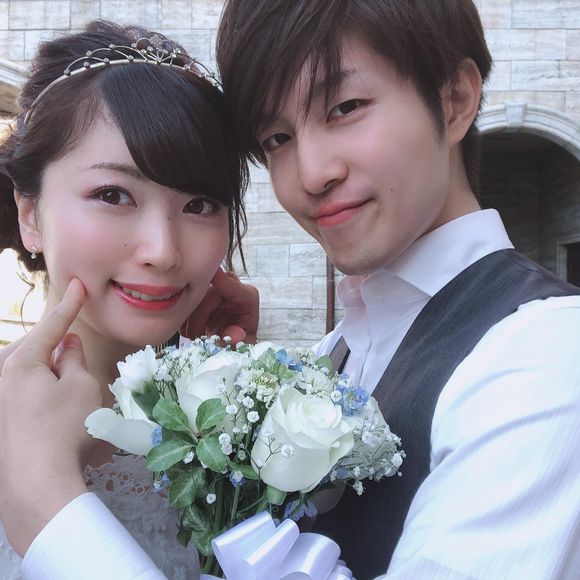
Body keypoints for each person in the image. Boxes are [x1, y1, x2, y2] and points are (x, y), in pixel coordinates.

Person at [1, 1, 580, 579]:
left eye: (345, 108)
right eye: (277, 138)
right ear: (30, 214)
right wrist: (223, 391)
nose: (310, 175)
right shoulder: (336, 352)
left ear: (454, 99)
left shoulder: (546, 351)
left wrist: (46, 506)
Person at [0, 19, 248, 579]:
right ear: (29, 215)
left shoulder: (247, 418)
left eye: (200, 204)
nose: (163, 251)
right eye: (112, 194)